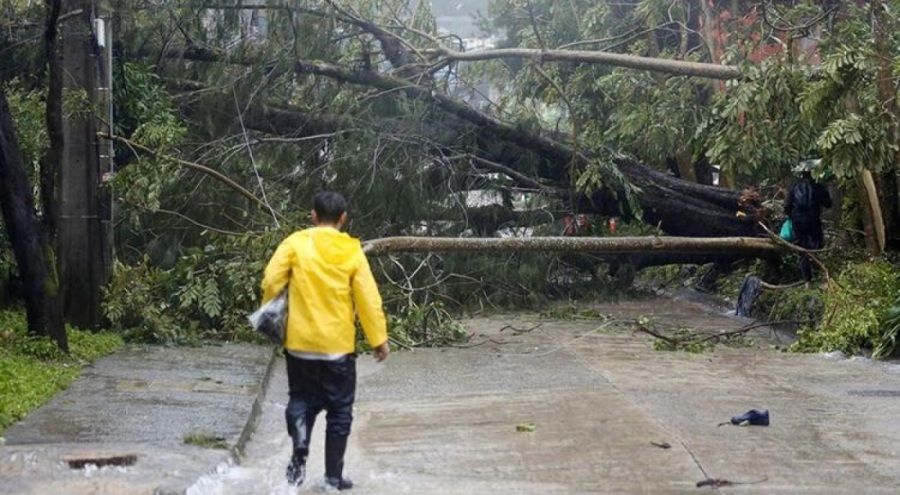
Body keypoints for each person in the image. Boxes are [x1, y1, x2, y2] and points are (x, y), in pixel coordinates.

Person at [260, 191, 390, 490]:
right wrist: (378, 339)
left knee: (300, 400)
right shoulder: (352, 251)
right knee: (339, 411)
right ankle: (333, 476)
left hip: (299, 344)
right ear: (343, 218)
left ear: (313, 216)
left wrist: (272, 313)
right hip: (338, 348)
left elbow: (270, 279)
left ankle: (300, 452)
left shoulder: (295, 243)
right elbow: (368, 299)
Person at [784, 165, 832, 283]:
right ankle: (818, 267)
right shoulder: (818, 187)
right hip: (814, 220)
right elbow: (828, 204)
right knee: (818, 243)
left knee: (802, 249)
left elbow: (786, 207)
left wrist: (791, 216)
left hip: (798, 222)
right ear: (813, 173)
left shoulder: (794, 188)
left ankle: (807, 279)